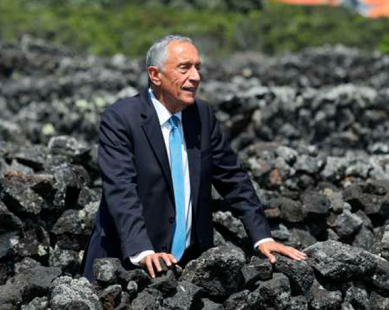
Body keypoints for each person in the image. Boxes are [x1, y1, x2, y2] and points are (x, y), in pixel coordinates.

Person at [82, 35, 306, 281]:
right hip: (124, 262)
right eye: (184, 68)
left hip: (189, 268)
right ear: (155, 75)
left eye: (197, 67)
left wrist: (262, 237)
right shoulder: (121, 118)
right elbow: (121, 188)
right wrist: (142, 251)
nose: (196, 77)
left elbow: (233, 178)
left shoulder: (202, 115)